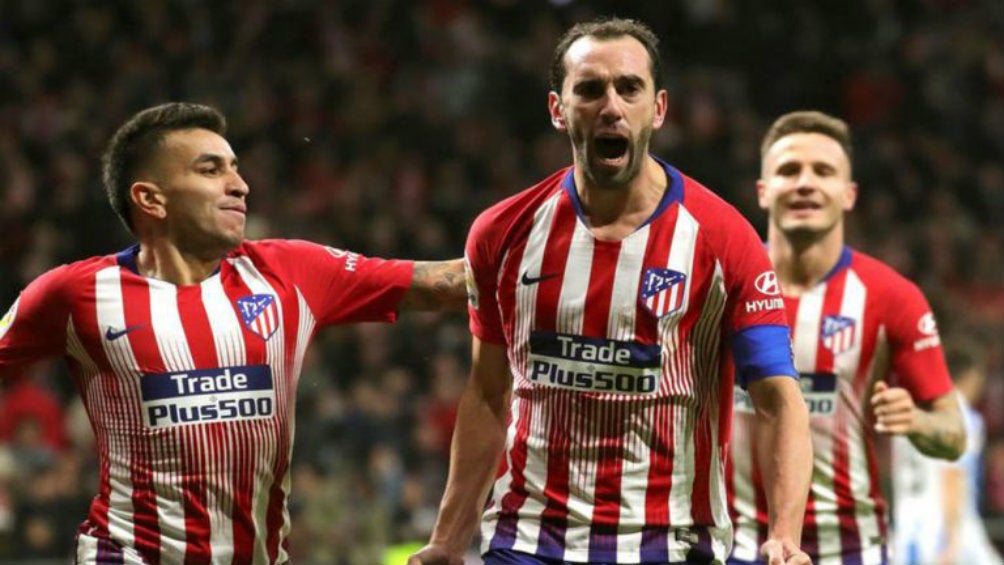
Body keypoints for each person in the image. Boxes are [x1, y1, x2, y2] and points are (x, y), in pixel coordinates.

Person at [409, 18, 813, 565]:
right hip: (528, 539)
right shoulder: (502, 233)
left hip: (669, 542)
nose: (611, 106)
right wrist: (448, 539)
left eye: (629, 88)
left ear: (659, 108)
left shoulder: (723, 238)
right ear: (558, 109)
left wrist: (785, 534)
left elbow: (778, 400)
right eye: (590, 89)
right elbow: (487, 392)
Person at [0, 102, 467, 564]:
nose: (240, 186)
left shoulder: (292, 270)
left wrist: (534, 233)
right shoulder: (73, 293)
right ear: (151, 198)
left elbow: (447, 283)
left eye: (235, 169)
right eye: (210, 170)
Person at [727, 111, 967, 565]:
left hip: (850, 550)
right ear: (763, 190)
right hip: (732, 546)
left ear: (849, 193)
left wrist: (916, 421)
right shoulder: (723, 285)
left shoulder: (891, 296)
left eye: (823, 171)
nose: (805, 183)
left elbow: (953, 435)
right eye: (788, 170)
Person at [892, 344, 1003, 565]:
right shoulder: (961, 417)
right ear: (972, 377)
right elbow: (952, 474)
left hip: (906, 529)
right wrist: (952, 540)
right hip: (944, 530)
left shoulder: (907, 413)